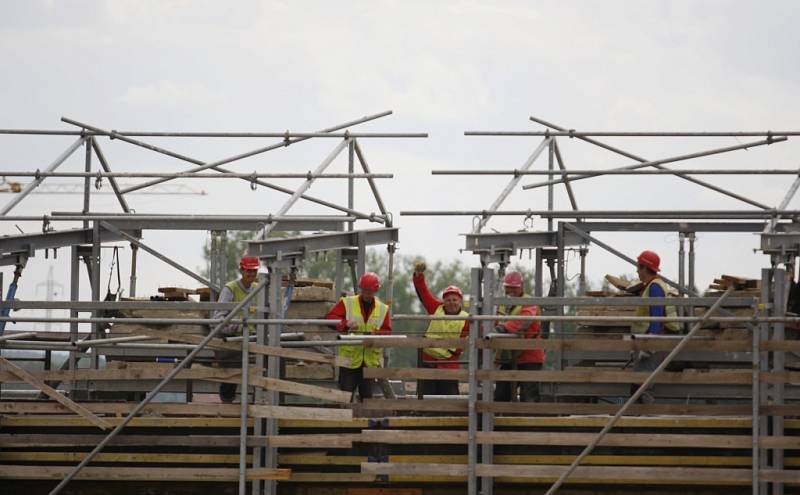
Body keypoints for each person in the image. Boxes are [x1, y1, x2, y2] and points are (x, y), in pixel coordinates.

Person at [326, 272, 392, 401]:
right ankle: (345, 420)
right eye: (365, 290)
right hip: (349, 361)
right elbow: (331, 318)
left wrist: (375, 334)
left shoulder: (383, 309)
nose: (367, 293)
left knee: (367, 399)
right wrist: (346, 324)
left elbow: (387, 331)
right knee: (345, 397)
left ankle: (364, 421)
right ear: (360, 289)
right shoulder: (347, 302)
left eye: (370, 291)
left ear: (376, 290)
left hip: (369, 362)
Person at [412, 261, 469, 397]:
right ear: (443, 301)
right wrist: (419, 275)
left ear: (460, 301)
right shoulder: (436, 308)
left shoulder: (467, 319)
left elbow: (467, 340)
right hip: (428, 361)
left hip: (449, 365)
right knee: (425, 396)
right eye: (448, 299)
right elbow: (423, 292)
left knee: (449, 397)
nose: (451, 302)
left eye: (455, 299)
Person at [212, 256, 260, 403]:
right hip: (230, 339)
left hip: (251, 338)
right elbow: (217, 320)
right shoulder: (230, 289)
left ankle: (257, 400)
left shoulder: (258, 289)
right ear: (241, 270)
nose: (251, 274)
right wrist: (238, 326)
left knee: (268, 360)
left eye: (254, 270)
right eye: (248, 270)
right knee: (234, 365)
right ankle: (227, 400)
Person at [493, 271, 544, 402]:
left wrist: (503, 328)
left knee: (528, 396)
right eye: (508, 287)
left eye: (514, 287)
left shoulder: (529, 302)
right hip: (508, 355)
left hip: (529, 357)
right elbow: (493, 322)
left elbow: (524, 321)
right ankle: (502, 421)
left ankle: (529, 421)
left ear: (521, 287)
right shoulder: (502, 304)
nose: (510, 290)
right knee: (501, 395)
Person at [632, 250, 680, 336]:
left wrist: (652, 338)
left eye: (638, 267)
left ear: (645, 268)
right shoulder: (654, 285)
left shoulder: (655, 287)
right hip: (656, 335)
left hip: (657, 337)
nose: (637, 271)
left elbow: (657, 316)